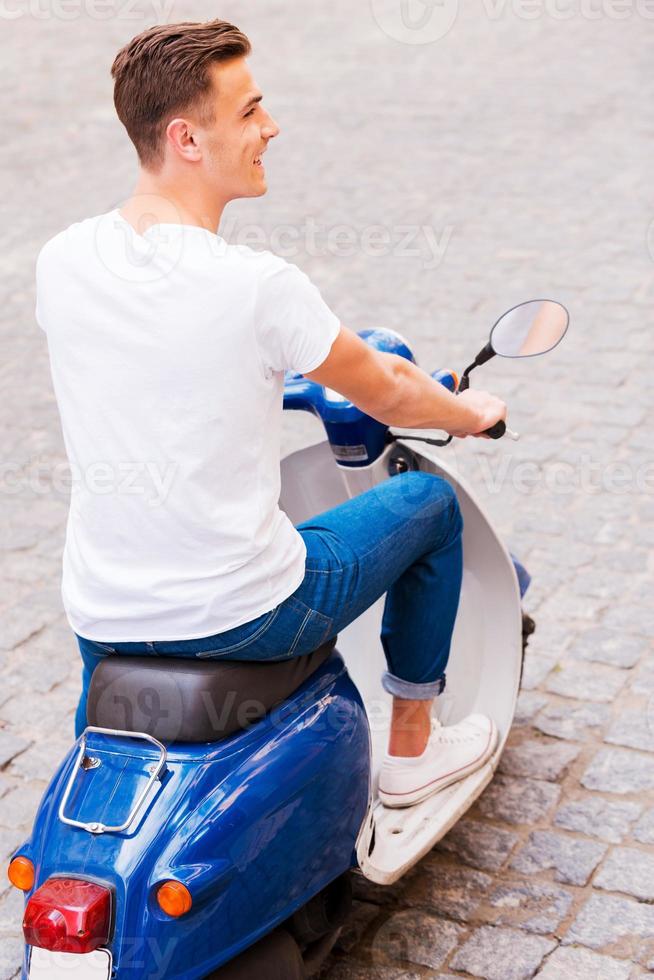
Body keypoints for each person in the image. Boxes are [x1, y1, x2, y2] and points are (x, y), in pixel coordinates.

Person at [35, 19, 507, 809]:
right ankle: (413, 755)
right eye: (250, 111)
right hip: (244, 613)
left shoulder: (62, 259)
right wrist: (466, 411)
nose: (271, 127)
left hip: (103, 612)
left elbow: (150, 366)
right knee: (429, 506)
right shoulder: (257, 285)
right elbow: (386, 387)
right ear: (187, 138)